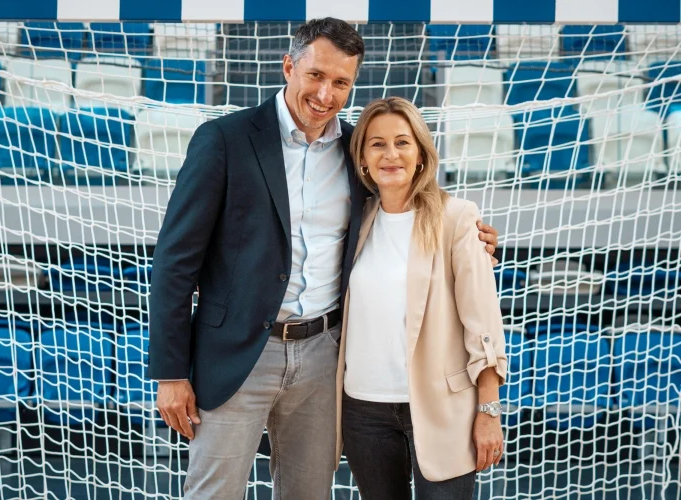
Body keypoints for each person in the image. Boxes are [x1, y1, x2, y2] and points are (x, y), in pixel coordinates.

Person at [148, 18, 500, 499]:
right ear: (288, 66)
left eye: (341, 82)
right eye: (315, 75)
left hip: (323, 358)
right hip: (236, 354)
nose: (325, 93)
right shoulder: (224, 140)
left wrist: (475, 240)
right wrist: (171, 373)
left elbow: (409, 209)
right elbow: (174, 263)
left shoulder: (358, 150)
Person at [334, 97, 507, 500]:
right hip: (364, 410)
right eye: (377, 144)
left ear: (421, 155)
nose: (390, 154)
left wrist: (488, 411)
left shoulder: (457, 217)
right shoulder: (354, 220)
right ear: (362, 159)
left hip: (441, 407)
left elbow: (482, 323)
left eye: (402, 142)